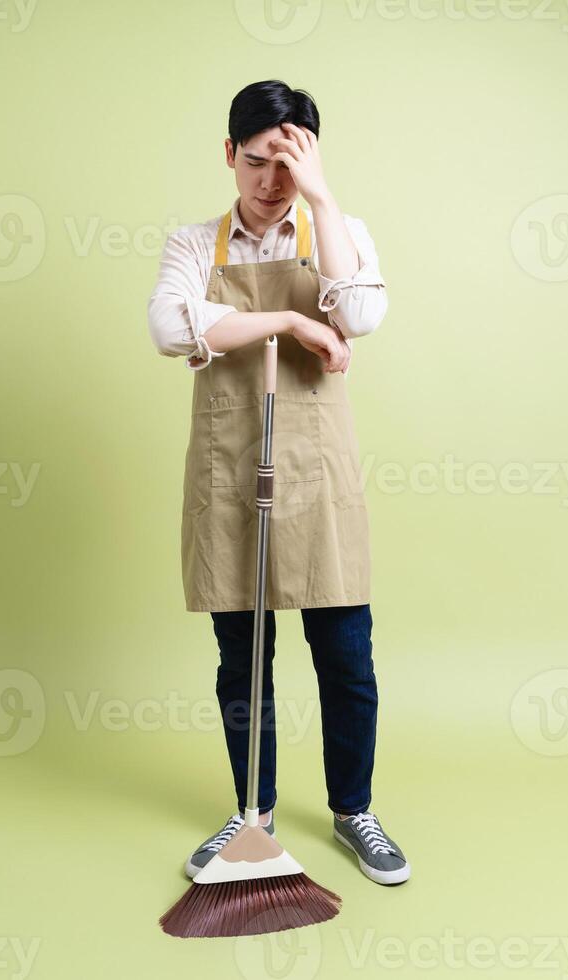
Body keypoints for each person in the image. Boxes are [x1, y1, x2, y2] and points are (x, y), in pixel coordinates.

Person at [147, 80, 410, 886]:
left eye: (288, 166)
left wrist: (324, 200)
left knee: (345, 655)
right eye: (256, 162)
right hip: (233, 472)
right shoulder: (195, 245)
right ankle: (252, 812)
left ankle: (352, 809)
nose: (270, 183)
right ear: (229, 154)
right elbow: (169, 326)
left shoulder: (340, 231)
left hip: (317, 473)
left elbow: (360, 314)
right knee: (242, 660)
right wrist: (292, 322)